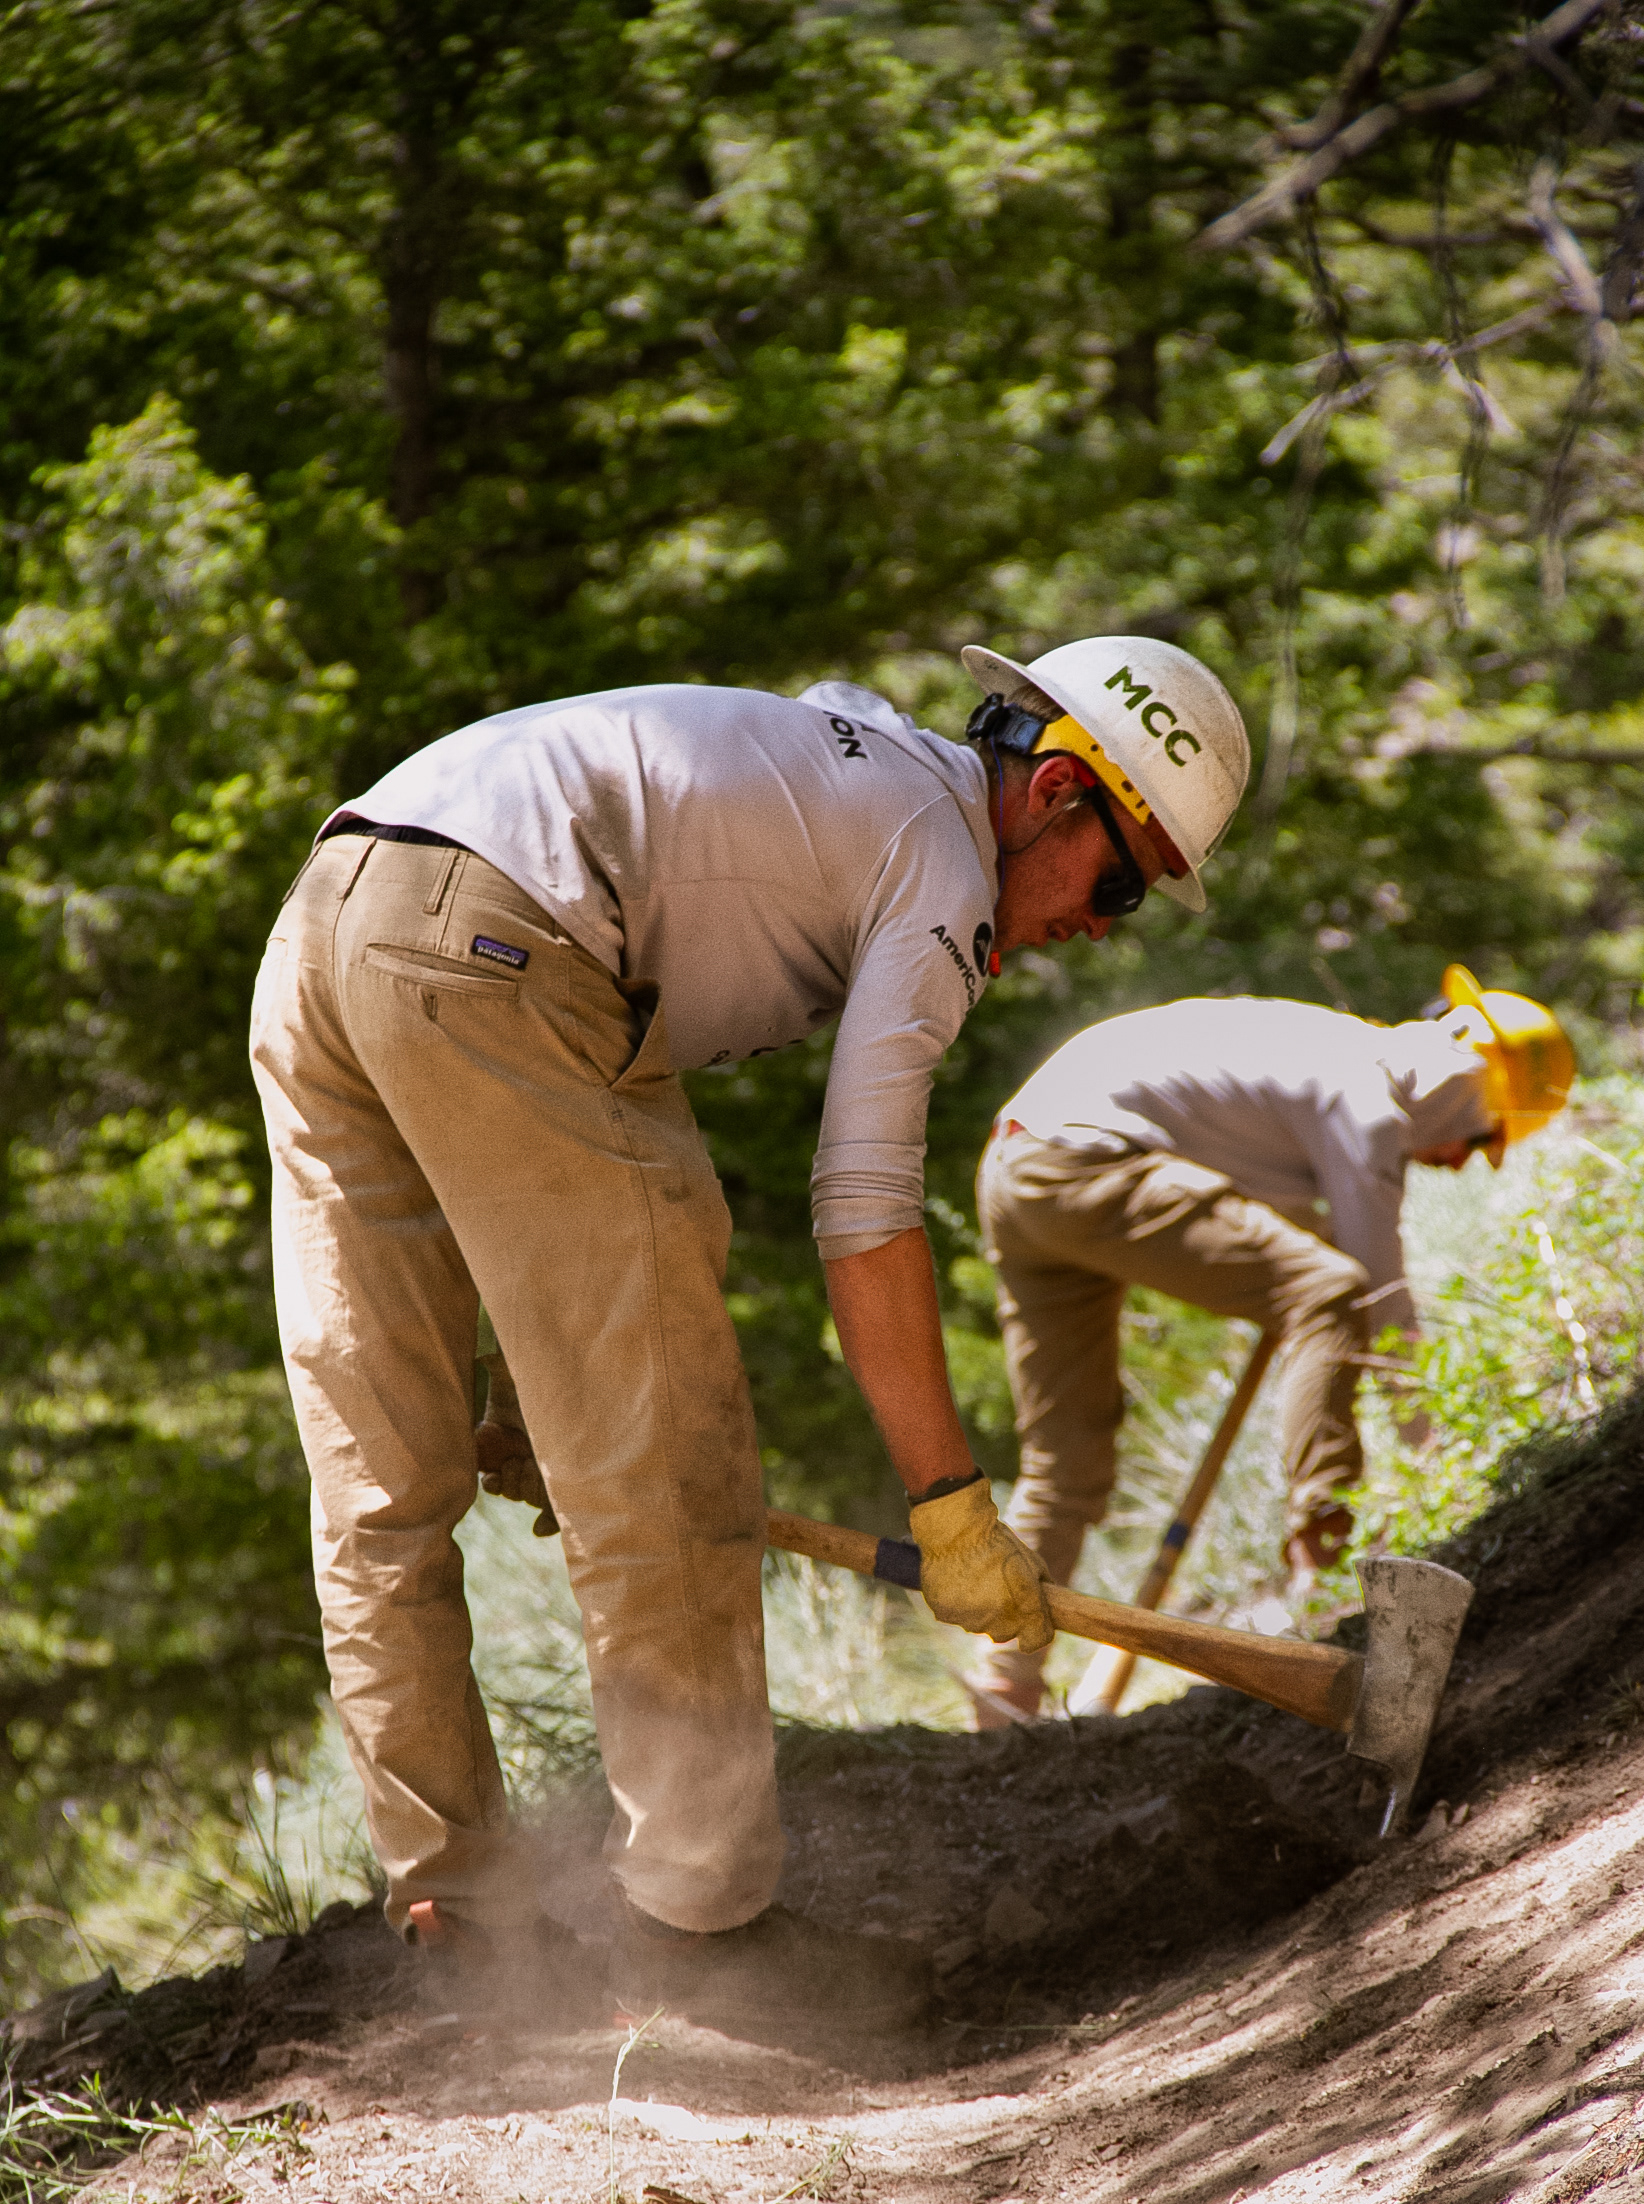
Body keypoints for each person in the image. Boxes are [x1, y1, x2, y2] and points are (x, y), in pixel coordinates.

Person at [248, 633, 1249, 2034]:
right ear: (1057, 792)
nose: (1100, 924)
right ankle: (702, 1930)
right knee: (671, 1467)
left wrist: (554, 1390)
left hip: (336, 911)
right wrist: (951, 1503)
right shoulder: (945, 867)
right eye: (1122, 883)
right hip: (501, 932)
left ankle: (457, 1912)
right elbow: (865, 1211)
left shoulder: (861, 764)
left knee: (383, 1471)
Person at [965, 969, 1575, 1727]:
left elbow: (1265, 1197)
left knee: (1066, 1456)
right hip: (1091, 1158)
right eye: (1478, 1141)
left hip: (1018, 1168)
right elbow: (1379, 1302)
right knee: (1328, 1292)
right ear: (1472, 1086)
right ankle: (1320, 1585)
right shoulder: (1367, 1098)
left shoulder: (1325, 1053)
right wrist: (1435, 1457)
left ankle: (1004, 1691)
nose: (1451, 1161)